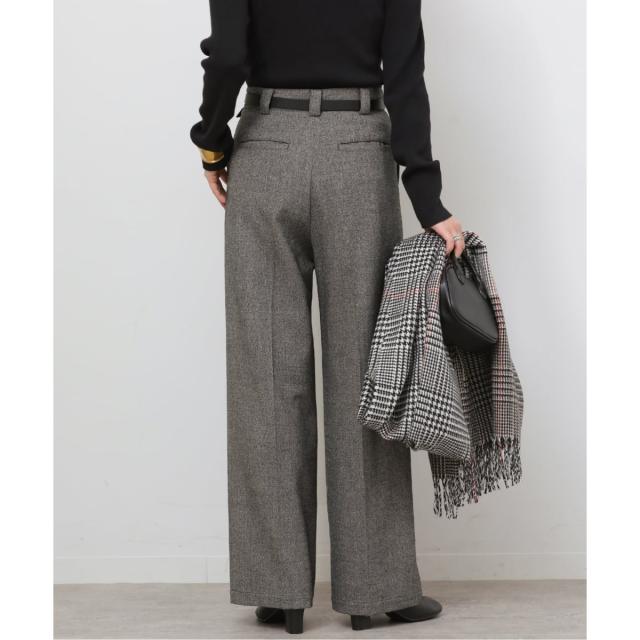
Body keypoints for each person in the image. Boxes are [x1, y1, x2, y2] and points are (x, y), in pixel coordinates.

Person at [190, 1, 465, 634]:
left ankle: (278, 590)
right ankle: (375, 590)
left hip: (266, 147)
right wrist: (427, 198)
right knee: (367, 373)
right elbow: (405, 71)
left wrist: (212, 139)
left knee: (265, 374)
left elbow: (228, 53)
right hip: (357, 150)